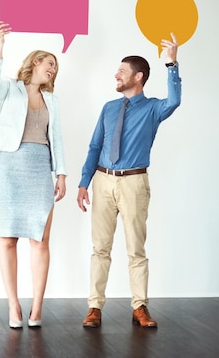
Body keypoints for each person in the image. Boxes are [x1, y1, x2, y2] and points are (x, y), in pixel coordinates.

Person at [77, 33, 181, 328]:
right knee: (100, 248)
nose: (116, 75)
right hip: (103, 181)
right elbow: (95, 146)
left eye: (121, 71)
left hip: (134, 183)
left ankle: (140, 307)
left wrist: (172, 64)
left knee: (136, 248)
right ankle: (94, 307)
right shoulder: (109, 108)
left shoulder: (153, 109)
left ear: (138, 76)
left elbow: (175, 100)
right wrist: (84, 182)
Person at [0, 22, 67, 328]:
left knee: (40, 240)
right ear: (35, 62)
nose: (53, 70)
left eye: (55, 67)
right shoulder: (10, 89)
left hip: (38, 167)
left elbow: (56, 138)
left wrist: (61, 174)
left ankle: (37, 308)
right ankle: (13, 306)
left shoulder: (53, 101)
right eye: (50, 64)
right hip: (9, 168)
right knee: (7, 239)